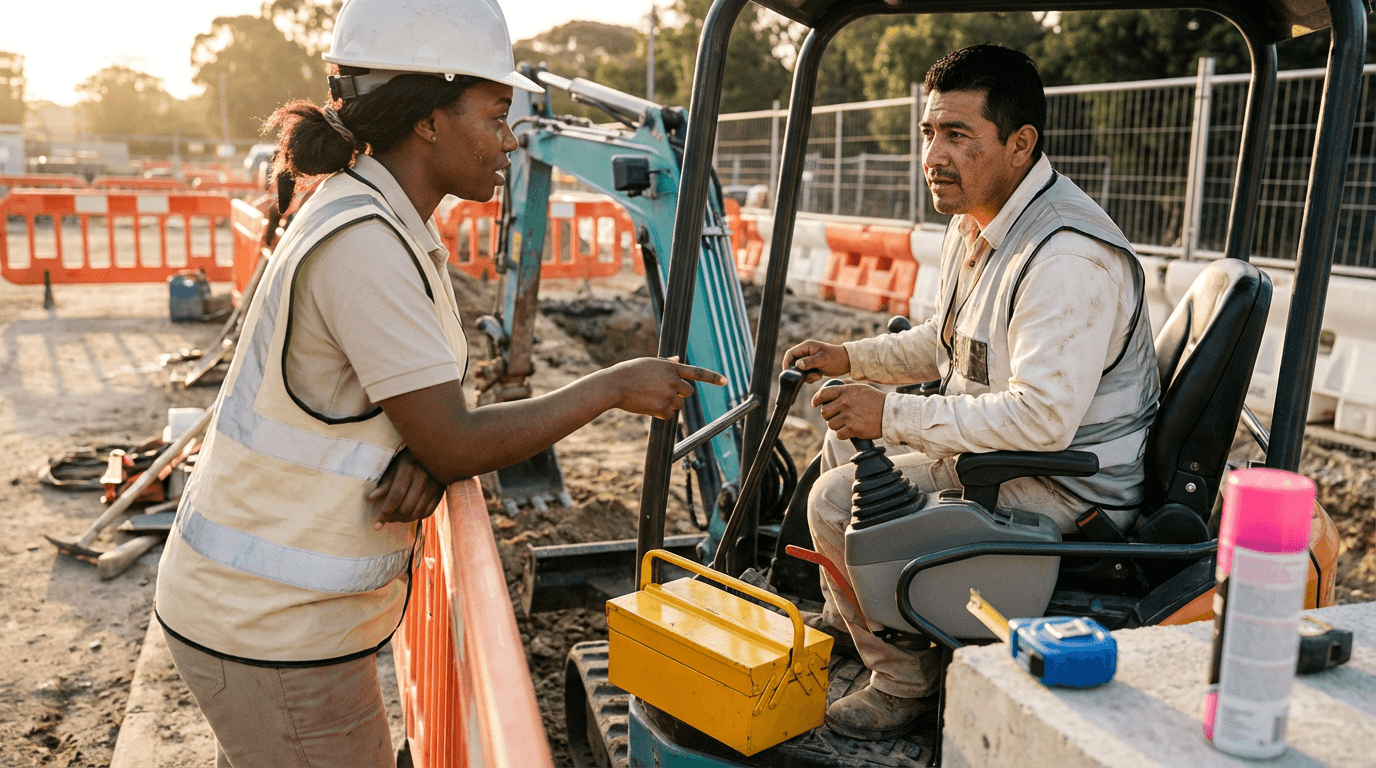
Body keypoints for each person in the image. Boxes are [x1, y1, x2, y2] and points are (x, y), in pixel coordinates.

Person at [153, 0, 725, 765]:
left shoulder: (372, 216)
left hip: (267, 619)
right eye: (495, 114)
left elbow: (423, 424)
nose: (511, 139)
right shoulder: (366, 245)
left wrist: (429, 450)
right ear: (428, 118)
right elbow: (453, 437)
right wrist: (612, 387)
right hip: (272, 629)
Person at [783, 44, 1160, 741]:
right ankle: (861, 616)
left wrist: (892, 411)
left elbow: (1043, 420)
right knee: (842, 437)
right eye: (929, 132)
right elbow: (947, 342)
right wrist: (850, 358)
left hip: (1068, 486)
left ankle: (903, 683)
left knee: (833, 501)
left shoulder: (1065, 257)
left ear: (1020, 145)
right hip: (1023, 452)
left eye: (958, 136)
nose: (934, 154)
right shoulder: (980, 221)